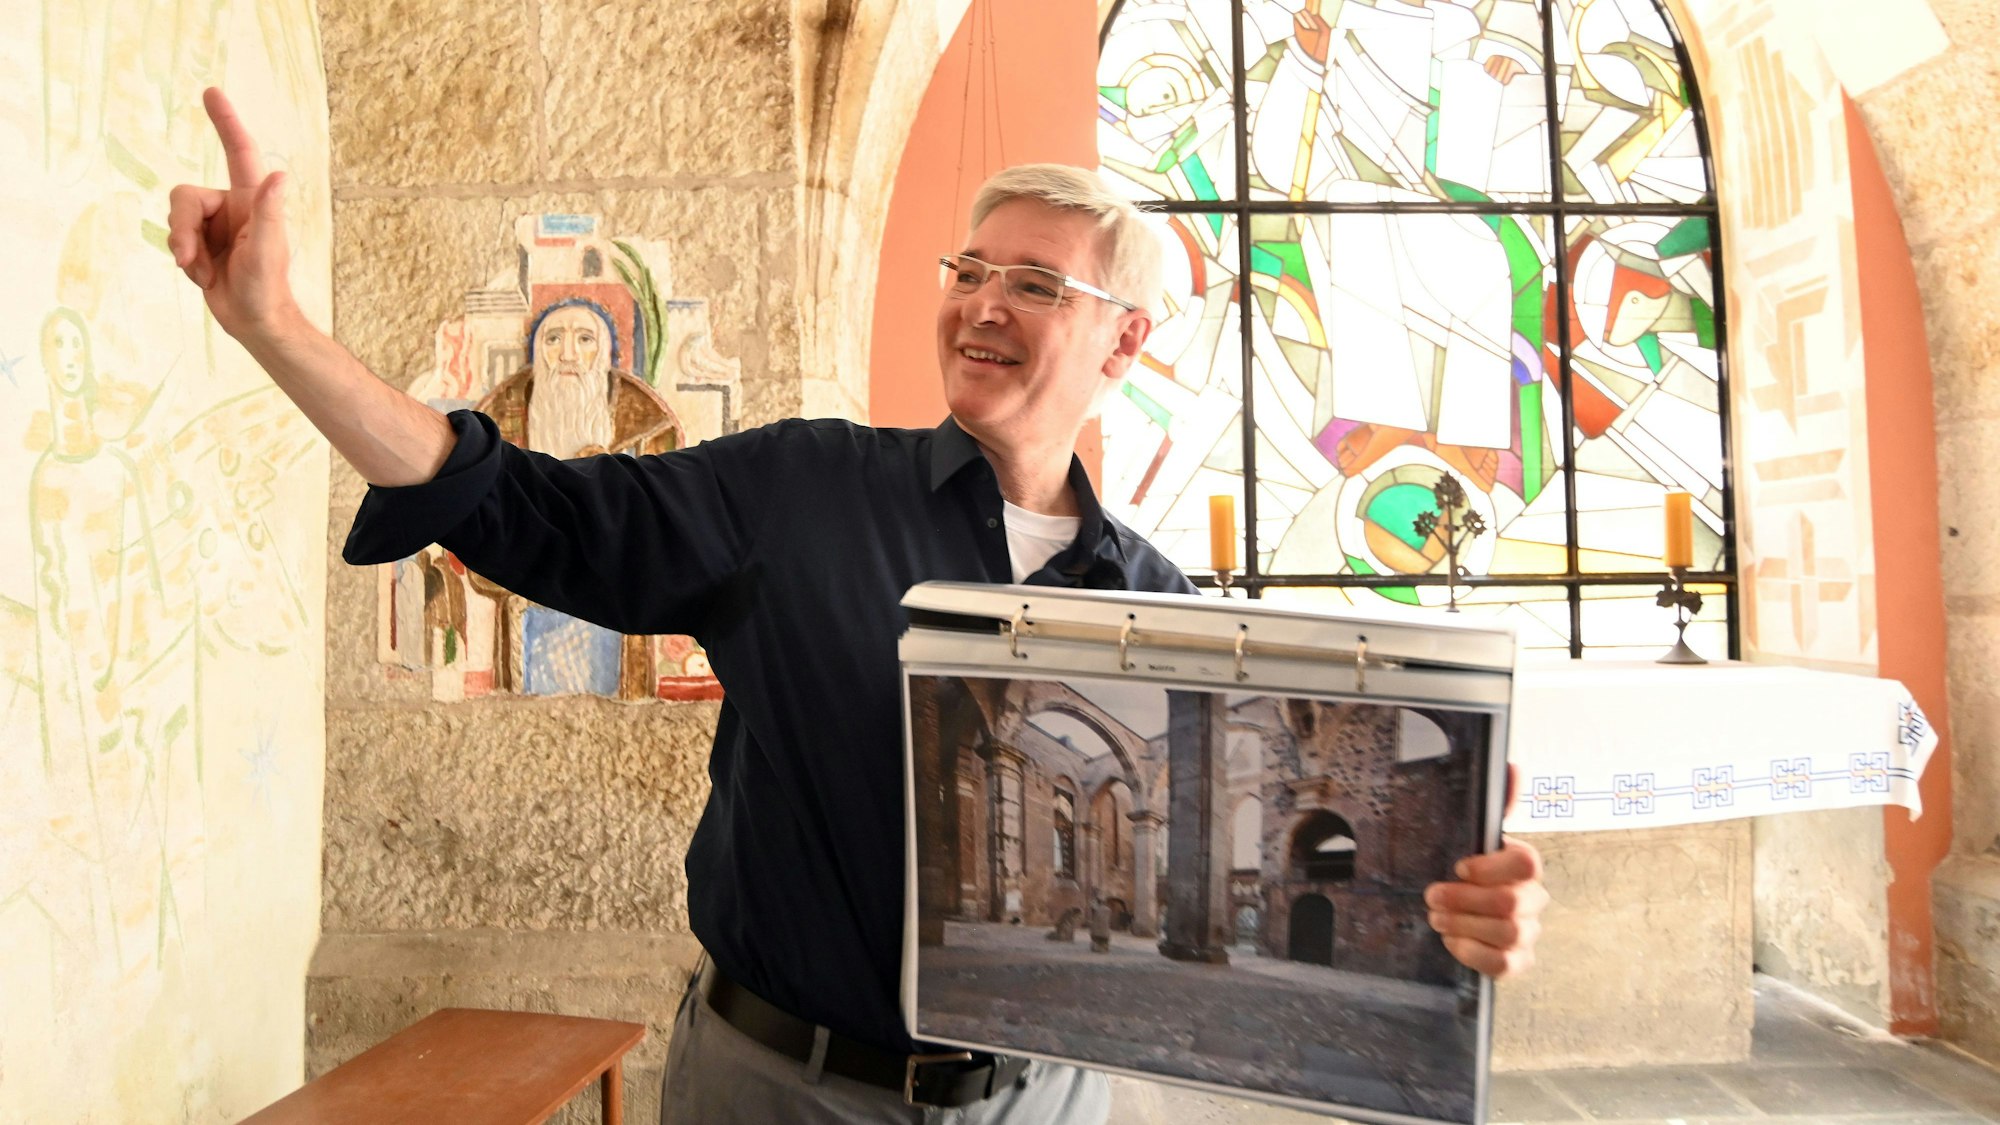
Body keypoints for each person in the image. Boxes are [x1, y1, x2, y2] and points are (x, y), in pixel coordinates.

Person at [169, 87, 1550, 1124]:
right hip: (781, 1086)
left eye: (1034, 283)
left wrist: (1448, 912)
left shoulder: (1160, 609)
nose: (979, 305)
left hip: (1043, 1103)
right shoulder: (802, 489)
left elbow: (1282, 880)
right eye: (968, 272)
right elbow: (527, 509)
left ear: (1124, 338)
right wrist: (278, 326)